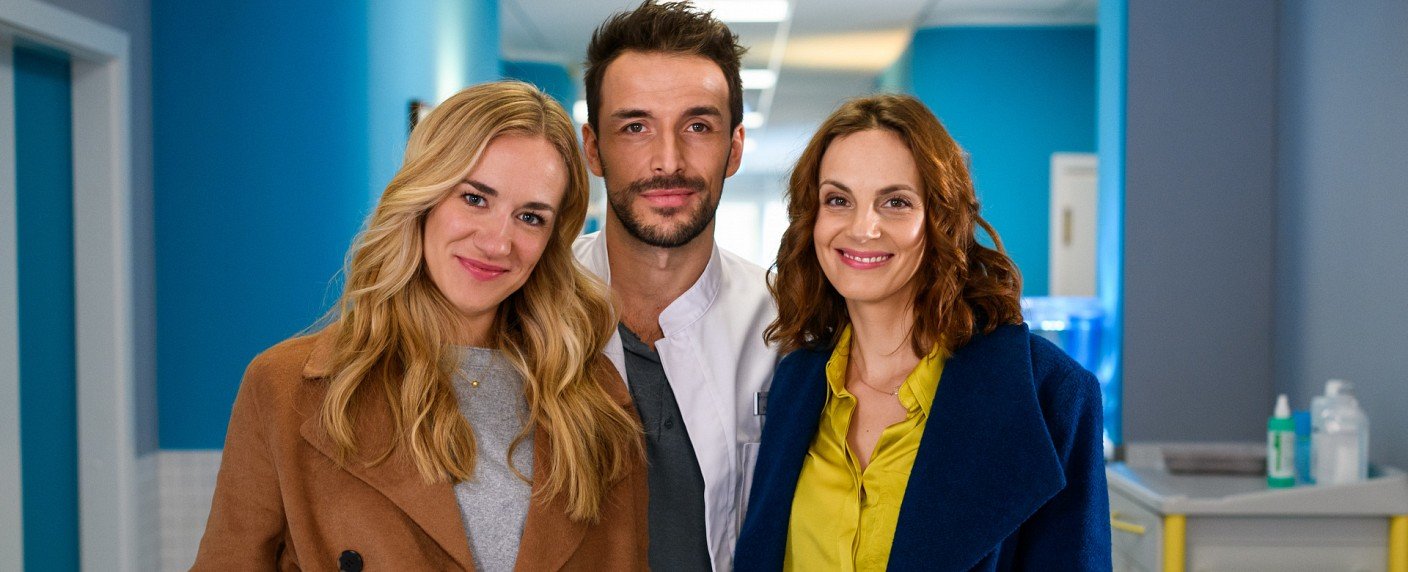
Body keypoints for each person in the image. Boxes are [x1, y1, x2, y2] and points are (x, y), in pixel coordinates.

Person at [192, 81, 647, 571]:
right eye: (475, 198)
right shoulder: (285, 389)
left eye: (530, 217)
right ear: (424, 197)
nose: (498, 243)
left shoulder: (595, 397)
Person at [735, 93, 1112, 571]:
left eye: (895, 202)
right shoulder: (795, 382)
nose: (863, 228)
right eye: (838, 200)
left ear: (941, 219)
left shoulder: (1050, 394)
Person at [573, 1, 778, 570]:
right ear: (593, 148)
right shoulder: (527, 307)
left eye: (698, 126)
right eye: (635, 127)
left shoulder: (788, 325)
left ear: (734, 148)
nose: (668, 161)